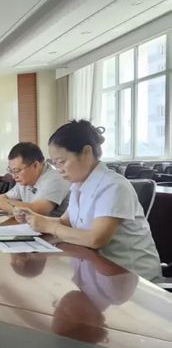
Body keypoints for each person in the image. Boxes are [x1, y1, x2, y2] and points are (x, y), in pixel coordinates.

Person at [21, 120, 162, 281]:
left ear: (86, 152)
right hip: (98, 271)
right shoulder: (78, 185)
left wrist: (48, 226)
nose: (58, 169)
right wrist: (32, 218)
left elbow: (96, 239)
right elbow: (64, 222)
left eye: (61, 162)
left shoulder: (113, 186)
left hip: (133, 278)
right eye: (55, 163)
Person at [0, 142, 70, 217]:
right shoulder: (25, 180)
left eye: (17, 171)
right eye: (11, 171)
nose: (13, 176)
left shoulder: (55, 178)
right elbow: (6, 198)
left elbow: (37, 211)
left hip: (54, 234)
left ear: (35, 165)